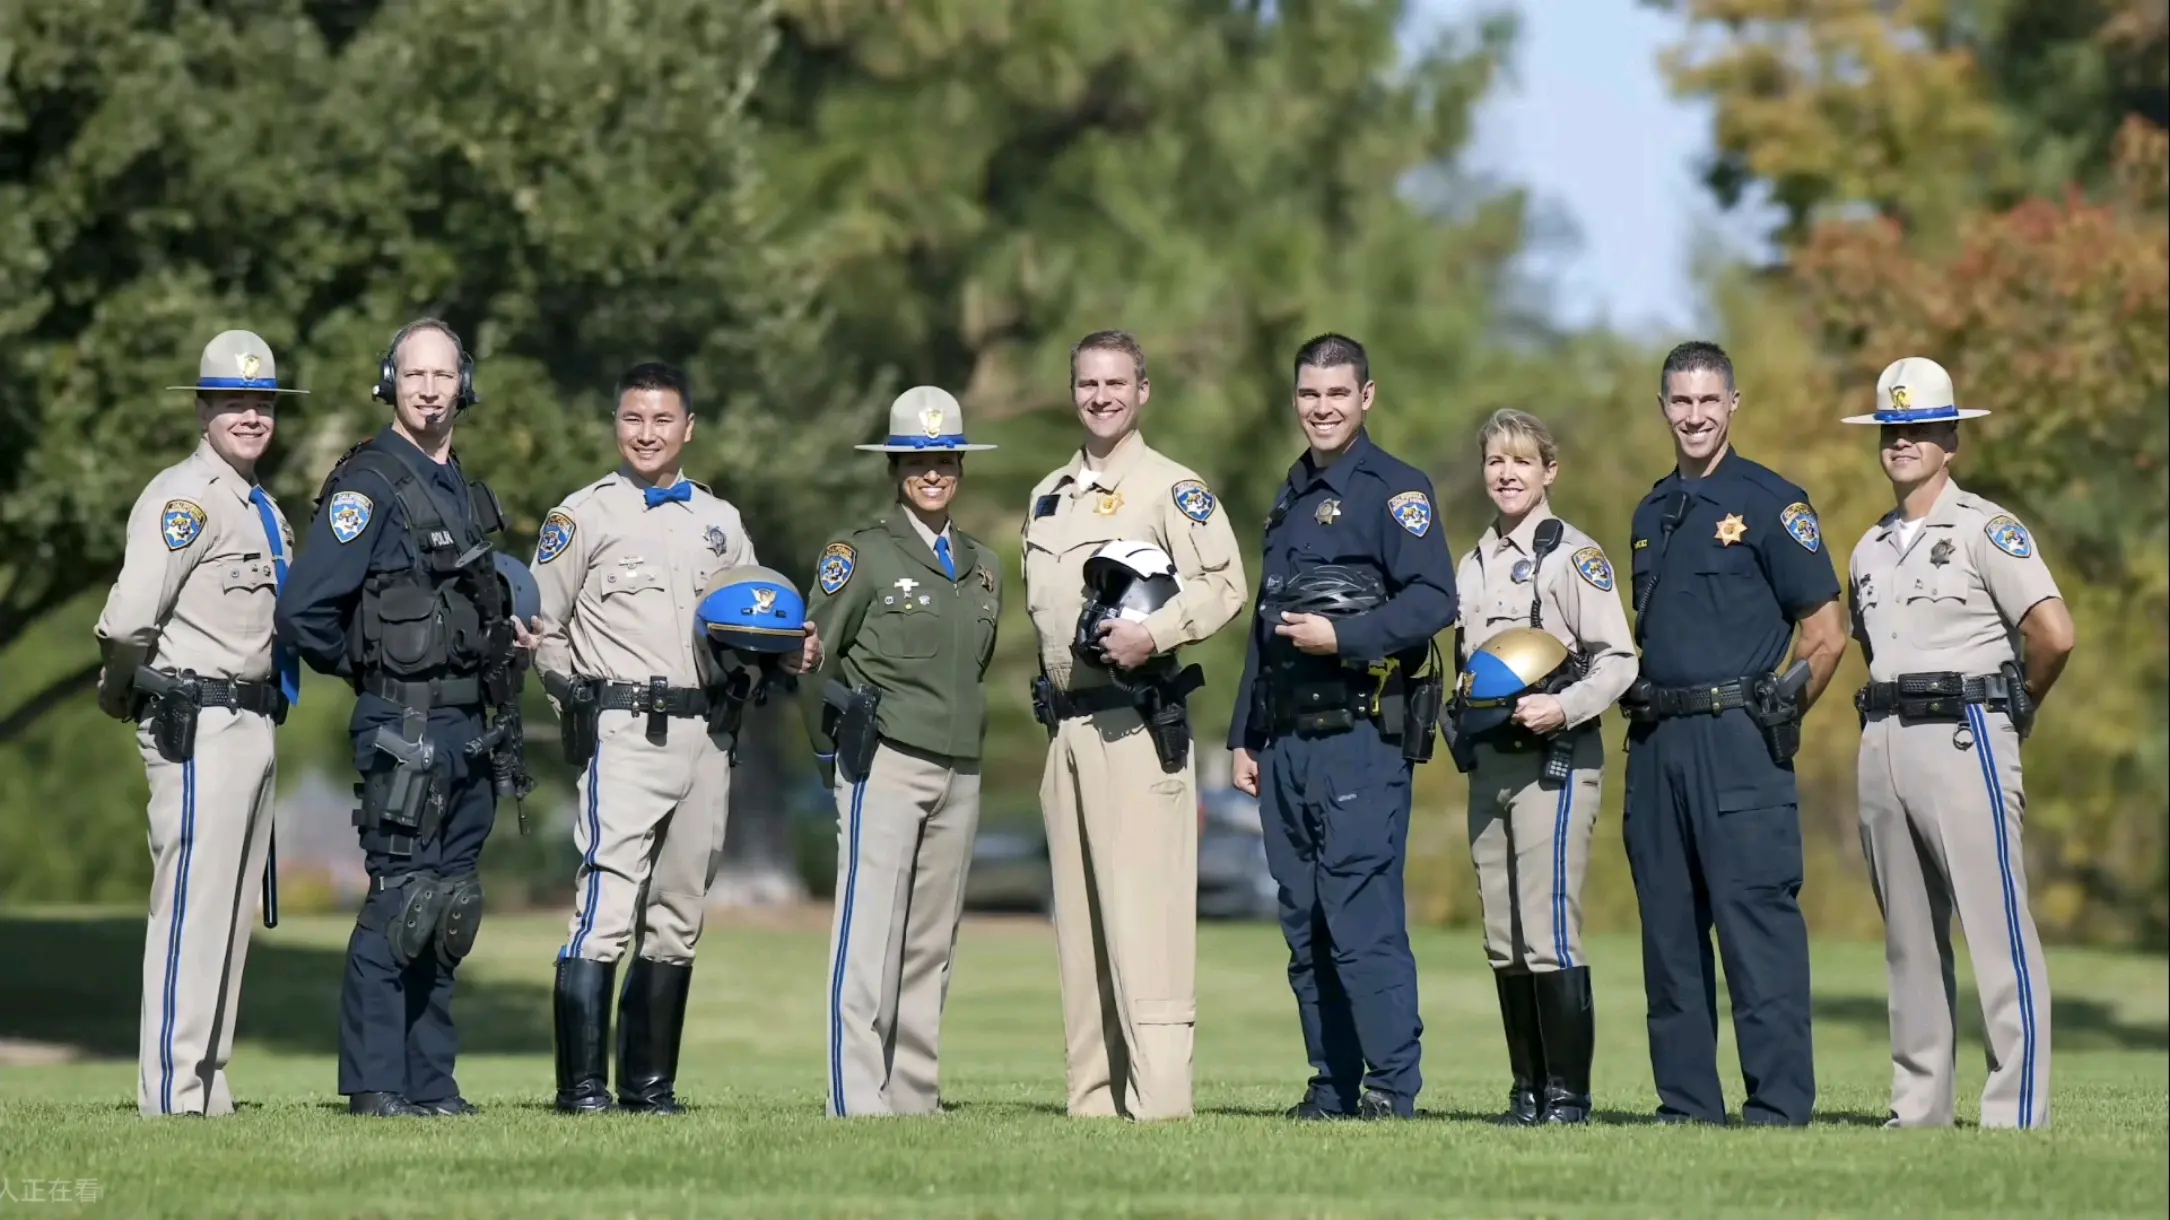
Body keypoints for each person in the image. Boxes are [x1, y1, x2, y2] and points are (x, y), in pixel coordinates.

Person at [530, 362, 820, 1115]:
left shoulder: (721, 523)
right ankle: (583, 1089)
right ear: (616, 425)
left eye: (662, 420)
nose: (647, 433)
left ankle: (650, 1089)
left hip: (708, 735)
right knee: (606, 909)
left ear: (688, 427)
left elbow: (754, 622)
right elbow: (539, 627)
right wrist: (572, 693)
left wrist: (789, 651)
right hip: (624, 730)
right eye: (633, 419)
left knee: (679, 914)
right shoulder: (581, 517)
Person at [274, 318, 539, 1118]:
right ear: (392, 380)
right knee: (401, 903)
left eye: (445, 376)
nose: (430, 389)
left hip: (471, 727)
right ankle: (374, 1086)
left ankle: (433, 1085)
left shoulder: (461, 483)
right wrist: (376, 673)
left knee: (450, 910)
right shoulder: (369, 484)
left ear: (466, 386)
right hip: (403, 726)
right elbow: (305, 612)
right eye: (416, 374)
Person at [1619, 340, 1849, 1128]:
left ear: (1733, 404)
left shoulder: (1773, 503)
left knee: (1758, 932)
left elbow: (1826, 632)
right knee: (1670, 938)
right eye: (1679, 402)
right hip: (1658, 745)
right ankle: (1685, 1104)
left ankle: (1778, 1106)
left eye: (1707, 401)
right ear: (1662, 410)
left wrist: (1778, 716)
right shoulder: (1652, 510)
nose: (1693, 416)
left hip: (1739, 743)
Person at [1229, 333, 1458, 1121]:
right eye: (1308, 395)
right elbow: (1264, 628)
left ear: (1367, 396)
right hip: (1286, 743)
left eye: (1336, 394)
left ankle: (1392, 1087)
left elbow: (1434, 600)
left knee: (1362, 921)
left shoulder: (1396, 489)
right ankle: (1331, 1084)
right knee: (1305, 926)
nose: (1321, 408)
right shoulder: (1290, 494)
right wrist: (1242, 735)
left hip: (1360, 740)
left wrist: (1346, 639)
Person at [1841, 356, 2073, 1130]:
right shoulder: (1868, 548)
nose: (1901, 441)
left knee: (1994, 924)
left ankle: (2016, 1110)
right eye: (1890, 429)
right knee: (1909, 940)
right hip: (1883, 736)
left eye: (1917, 428)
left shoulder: (1986, 530)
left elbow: (2053, 634)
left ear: (1950, 437)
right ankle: (1919, 1109)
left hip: (1966, 732)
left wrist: (2020, 706)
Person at [1022, 330, 1247, 1122]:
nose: (1102, 396)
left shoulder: (1172, 488)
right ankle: (1091, 1103)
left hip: (1135, 726)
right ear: (1072, 389)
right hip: (1067, 731)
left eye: (1117, 383)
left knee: (1144, 921)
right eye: (1088, 383)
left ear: (1143, 391)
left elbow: (1227, 584)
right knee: (1079, 928)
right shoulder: (1048, 493)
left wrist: (1156, 633)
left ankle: (1158, 1104)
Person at [93, 330, 307, 1117]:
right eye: (233, 400)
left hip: (253, 721)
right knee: (190, 907)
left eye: (263, 403)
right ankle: (171, 1095)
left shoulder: (261, 508)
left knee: (230, 912)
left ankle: (209, 1085)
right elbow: (124, 625)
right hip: (197, 719)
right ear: (203, 407)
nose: (250, 414)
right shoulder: (183, 500)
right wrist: (121, 694)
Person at [801, 385, 1001, 1119]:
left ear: (960, 466)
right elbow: (812, 659)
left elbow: (969, 669)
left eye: (945, 458)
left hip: (960, 766)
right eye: (918, 460)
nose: (933, 473)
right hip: (883, 760)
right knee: (869, 934)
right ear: (894, 466)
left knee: (931, 940)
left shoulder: (983, 566)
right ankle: (857, 1096)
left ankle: (914, 1093)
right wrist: (830, 757)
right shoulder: (860, 553)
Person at [1447, 408, 1637, 1126]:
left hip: (1554, 762)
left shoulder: (1573, 557)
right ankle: (1525, 1093)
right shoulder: (1473, 562)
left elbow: (1619, 659)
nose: (1507, 473)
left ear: (1549, 472)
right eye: (1496, 460)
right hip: (1491, 762)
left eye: (1522, 461)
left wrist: (1566, 709)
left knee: (1547, 928)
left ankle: (1568, 1096)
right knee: (1502, 934)